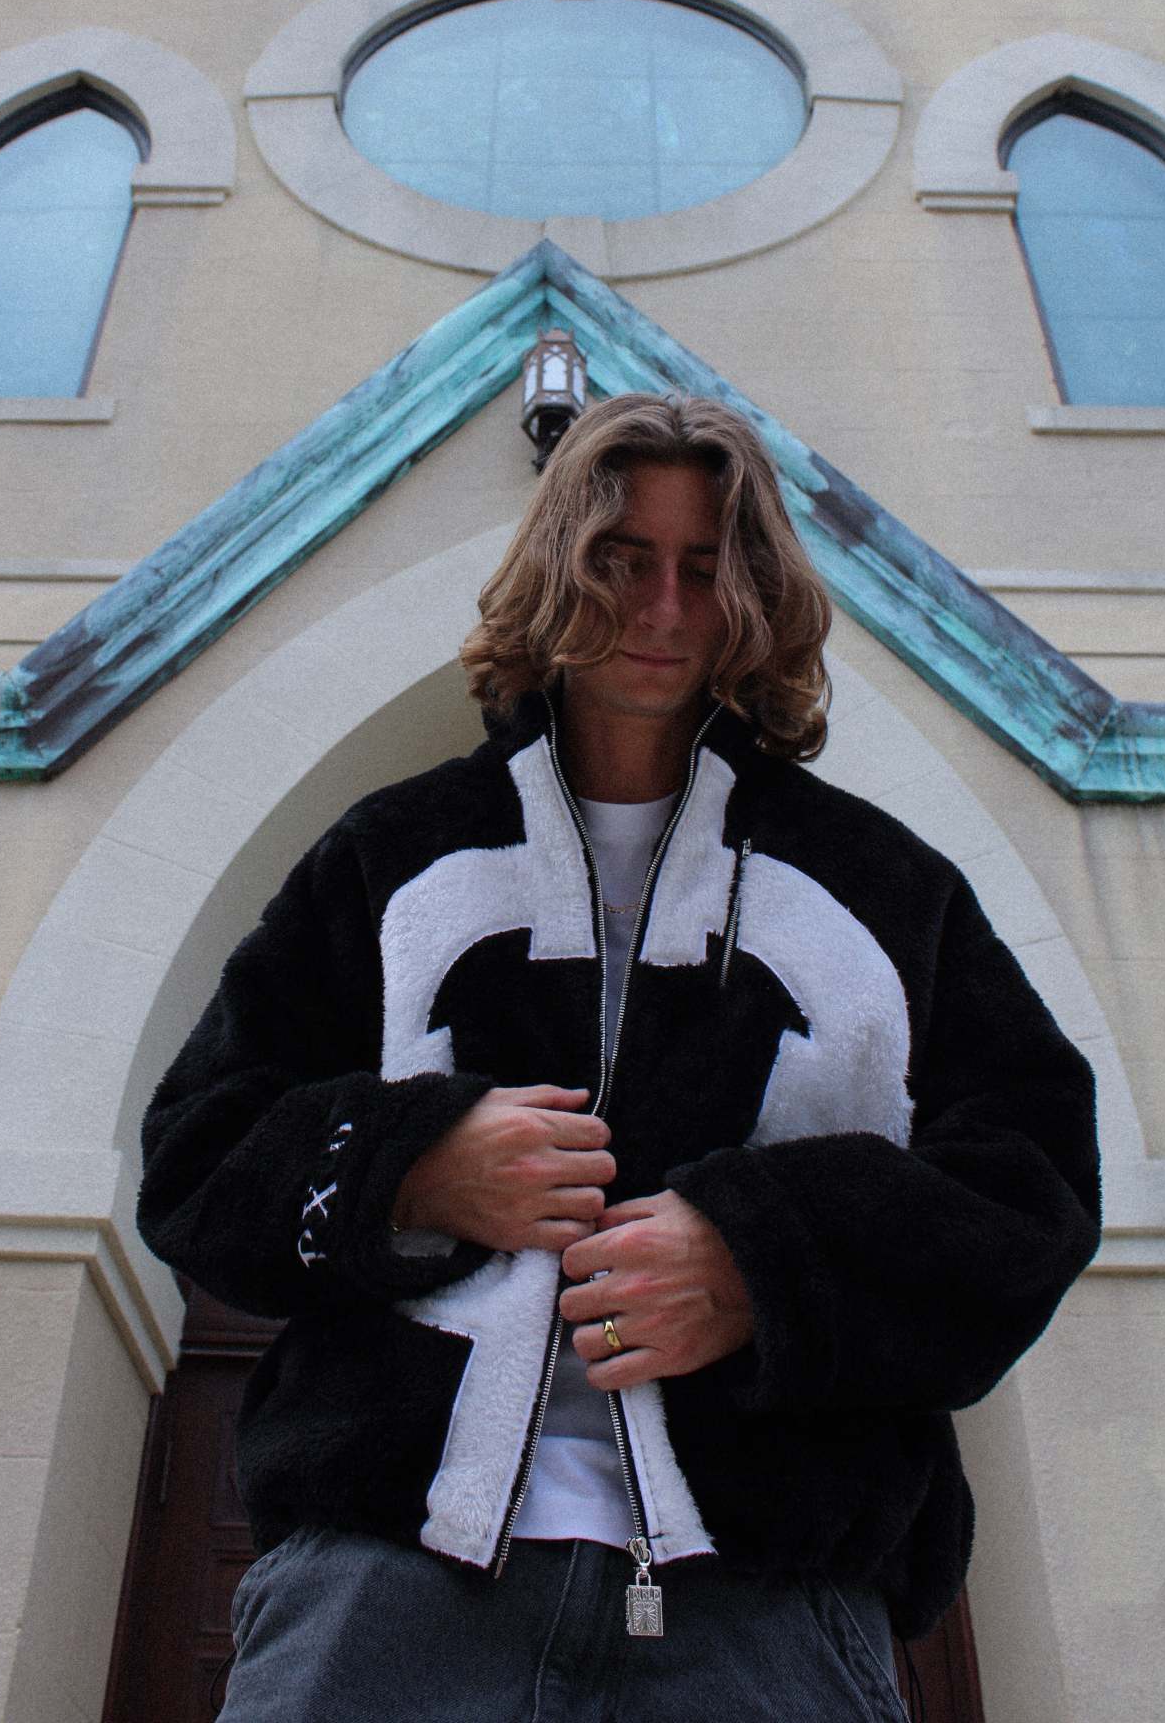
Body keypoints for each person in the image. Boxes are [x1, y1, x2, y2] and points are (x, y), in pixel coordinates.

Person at [137, 392, 1100, 1722]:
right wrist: (411, 1166)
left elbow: (1032, 1189)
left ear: (754, 594)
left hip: (764, 1608)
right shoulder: (384, 856)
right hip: (386, 1594)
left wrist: (762, 1263)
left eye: (704, 569)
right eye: (621, 561)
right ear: (559, 570)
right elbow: (196, 1156)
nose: (662, 608)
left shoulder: (889, 888)